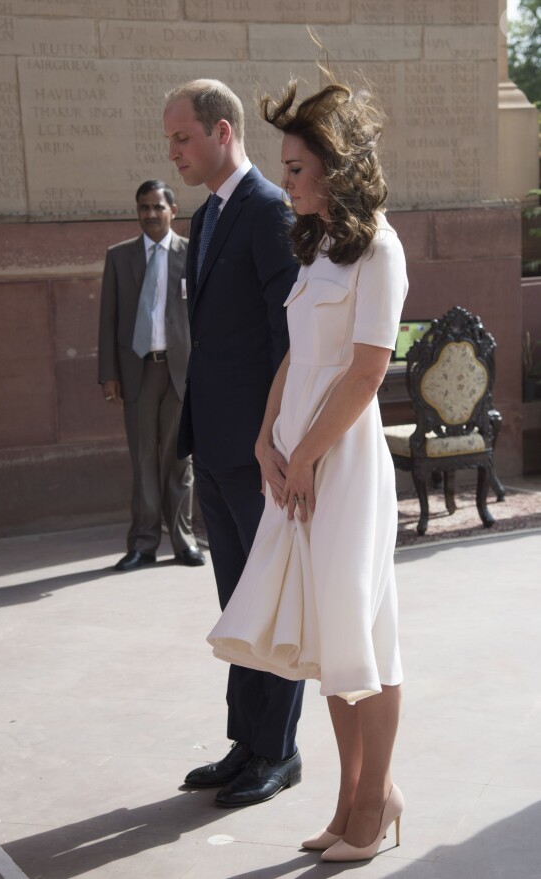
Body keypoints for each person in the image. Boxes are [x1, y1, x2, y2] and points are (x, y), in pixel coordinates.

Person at [208, 76, 408, 861]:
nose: (285, 180)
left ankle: (377, 798)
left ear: (335, 167)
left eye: (296, 168)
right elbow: (296, 355)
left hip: (342, 466)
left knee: (364, 637)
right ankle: (352, 798)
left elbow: (365, 373)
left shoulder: (380, 249)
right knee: (330, 641)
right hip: (296, 465)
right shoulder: (320, 245)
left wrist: (306, 457)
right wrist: (267, 439)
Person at [163, 80, 305, 807]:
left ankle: (279, 751)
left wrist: (275, 440)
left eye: (182, 137)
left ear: (223, 132)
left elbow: (290, 338)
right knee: (239, 603)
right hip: (216, 446)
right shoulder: (208, 214)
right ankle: (247, 742)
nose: (173, 152)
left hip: (258, 453)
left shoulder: (269, 209)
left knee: (271, 600)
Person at [98, 180, 205, 572]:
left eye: (157, 207)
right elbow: (108, 319)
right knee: (144, 458)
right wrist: (109, 374)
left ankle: (183, 540)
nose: (150, 214)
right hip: (138, 371)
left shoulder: (193, 254)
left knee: (180, 458)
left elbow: (206, 317)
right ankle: (143, 544)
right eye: (144, 207)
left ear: (173, 210)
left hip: (181, 372)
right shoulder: (119, 257)